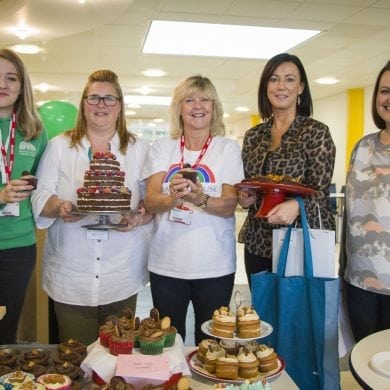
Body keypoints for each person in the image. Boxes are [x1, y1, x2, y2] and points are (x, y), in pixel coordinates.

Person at [31, 69, 153, 345]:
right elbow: (41, 194)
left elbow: (151, 200)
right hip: (71, 274)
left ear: (120, 105)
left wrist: (138, 217)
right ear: (83, 104)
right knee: (77, 355)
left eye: (109, 99)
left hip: (122, 271)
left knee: (117, 354)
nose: (101, 105)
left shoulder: (140, 148)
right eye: (94, 98)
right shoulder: (60, 146)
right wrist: (59, 206)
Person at [142, 75, 244, 344]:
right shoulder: (163, 147)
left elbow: (229, 204)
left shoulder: (227, 149)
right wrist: (175, 198)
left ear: (214, 107)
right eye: (189, 100)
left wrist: (199, 198)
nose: (197, 106)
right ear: (179, 108)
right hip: (167, 265)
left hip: (215, 266)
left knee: (210, 343)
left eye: (204, 99)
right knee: (167, 341)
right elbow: (151, 201)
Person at [238, 53, 336, 286]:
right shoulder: (254, 135)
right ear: (266, 86)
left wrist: (297, 204)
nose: (281, 86)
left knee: (295, 315)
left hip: (300, 241)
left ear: (301, 87)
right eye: (274, 79)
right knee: (260, 317)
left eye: (290, 79)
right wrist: (245, 196)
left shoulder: (315, 132)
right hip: (258, 242)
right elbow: (249, 183)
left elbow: (321, 193)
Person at [0, 48, 48, 344]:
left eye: (11, 78)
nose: (3, 85)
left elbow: (43, 185)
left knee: (6, 330)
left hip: (19, 246)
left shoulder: (34, 131)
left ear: (21, 87)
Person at [342, 60, 390, 342]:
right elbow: (351, 213)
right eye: (385, 90)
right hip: (359, 282)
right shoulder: (362, 147)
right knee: (364, 363)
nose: (389, 99)